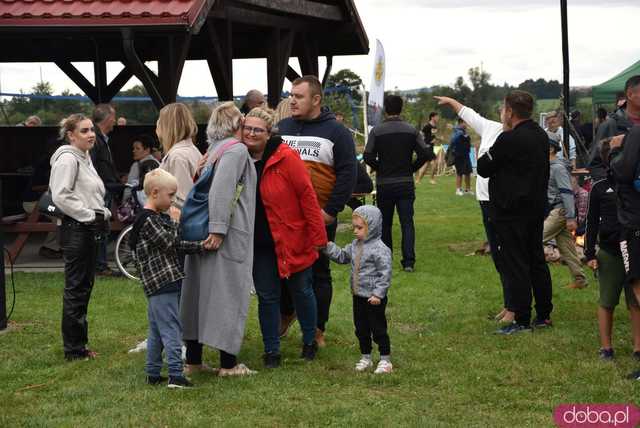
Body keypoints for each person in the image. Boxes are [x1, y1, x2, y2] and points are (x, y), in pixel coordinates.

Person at [243, 107, 327, 367]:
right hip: (259, 243)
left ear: (269, 134)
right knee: (268, 296)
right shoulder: (239, 157)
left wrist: (318, 236)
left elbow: (307, 197)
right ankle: (272, 350)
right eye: (247, 128)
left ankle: (310, 341)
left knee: (301, 290)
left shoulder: (286, 157)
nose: (251, 133)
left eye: (258, 130)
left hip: (292, 237)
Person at [278, 76, 357, 346]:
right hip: (283, 219)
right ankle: (287, 313)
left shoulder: (336, 132)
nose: (292, 100)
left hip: (318, 217)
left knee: (319, 272)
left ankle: (318, 328)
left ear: (316, 100)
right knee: (283, 268)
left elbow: (348, 173)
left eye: (298, 96)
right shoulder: (282, 128)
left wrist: (331, 211)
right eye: (291, 95)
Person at [181, 101, 258, 377]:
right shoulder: (236, 150)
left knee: (195, 297)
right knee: (228, 295)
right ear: (236, 125)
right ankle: (229, 364)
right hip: (224, 235)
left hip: (200, 231)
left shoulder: (213, 150)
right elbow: (222, 191)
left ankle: (193, 360)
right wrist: (218, 229)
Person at [477, 90, 553, 335]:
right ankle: (543, 314)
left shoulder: (508, 139)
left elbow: (484, 167)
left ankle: (521, 318)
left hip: (510, 211)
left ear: (509, 112)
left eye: (502, 110)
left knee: (516, 263)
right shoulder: (541, 136)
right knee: (536, 260)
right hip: (534, 208)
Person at [434, 95, 512, 323]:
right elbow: (469, 113)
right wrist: (451, 101)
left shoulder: (516, 136)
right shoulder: (490, 128)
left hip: (503, 202)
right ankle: (509, 304)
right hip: (486, 201)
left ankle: (514, 307)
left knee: (507, 255)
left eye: (504, 110)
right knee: (498, 255)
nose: (501, 113)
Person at [130, 169, 207, 388]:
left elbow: (176, 245)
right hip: (162, 282)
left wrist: (201, 247)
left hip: (160, 283)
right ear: (155, 193)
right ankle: (176, 374)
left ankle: (153, 372)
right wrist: (175, 221)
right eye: (170, 195)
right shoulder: (148, 221)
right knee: (172, 328)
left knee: (156, 329)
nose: (173, 200)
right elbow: (169, 242)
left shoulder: (154, 219)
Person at [50, 113, 111, 360]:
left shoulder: (84, 157)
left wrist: (101, 213)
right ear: (71, 135)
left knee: (84, 287)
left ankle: (79, 346)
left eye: (91, 130)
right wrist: (89, 215)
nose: (91, 134)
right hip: (77, 229)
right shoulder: (67, 159)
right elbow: (60, 195)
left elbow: (92, 193)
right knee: (76, 288)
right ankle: (74, 350)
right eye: (84, 131)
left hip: (87, 227)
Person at [584, 140, 640, 362]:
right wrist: (589, 253)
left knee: (635, 302)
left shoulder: (633, 184)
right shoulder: (599, 187)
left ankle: (638, 346)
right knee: (607, 301)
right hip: (610, 250)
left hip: (635, 249)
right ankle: (606, 347)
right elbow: (590, 222)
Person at [364, 94, 432, 273]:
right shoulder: (411, 130)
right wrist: (411, 168)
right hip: (405, 183)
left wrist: (380, 168)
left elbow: (367, 156)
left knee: (385, 223)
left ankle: (385, 261)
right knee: (407, 223)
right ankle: (408, 262)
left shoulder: (377, 131)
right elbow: (425, 153)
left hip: (385, 184)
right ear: (401, 109)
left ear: (385, 109)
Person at [324, 205, 393, 374]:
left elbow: (385, 274)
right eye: (354, 227)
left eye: (359, 228)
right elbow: (342, 256)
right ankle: (366, 357)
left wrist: (378, 294)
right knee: (361, 328)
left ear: (373, 227)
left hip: (374, 298)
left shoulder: (380, 249)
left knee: (378, 328)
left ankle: (385, 360)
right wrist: (327, 246)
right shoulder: (355, 245)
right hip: (358, 296)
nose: (355, 231)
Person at [609, 127, 640, 379]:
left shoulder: (637, 132)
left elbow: (623, 171)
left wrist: (616, 150)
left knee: (638, 287)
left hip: (635, 224)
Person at [543, 139, 588, 289]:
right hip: (556, 209)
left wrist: (570, 216)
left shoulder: (558, 168)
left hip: (560, 211)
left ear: (550, 149)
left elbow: (567, 193)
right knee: (567, 247)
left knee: (534, 239)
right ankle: (580, 280)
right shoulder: (550, 166)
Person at [90, 103, 122, 277]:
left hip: (105, 188)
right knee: (101, 227)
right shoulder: (95, 138)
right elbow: (93, 166)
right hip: (101, 191)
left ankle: (100, 264)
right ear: (108, 118)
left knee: (104, 228)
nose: (115, 120)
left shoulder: (100, 137)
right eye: (114, 117)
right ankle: (100, 267)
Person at [589, 76, 640, 180]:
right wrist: (614, 189)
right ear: (630, 94)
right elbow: (595, 166)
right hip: (624, 193)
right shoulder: (610, 125)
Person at [157, 103, 202, 210]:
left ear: (167, 126)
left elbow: (182, 201)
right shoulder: (192, 150)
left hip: (177, 223)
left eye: (160, 121)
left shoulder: (177, 156)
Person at [123, 135, 160, 203]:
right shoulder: (157, 164)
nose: (134, 151)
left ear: (147, 150)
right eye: (133, 148)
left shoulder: (137, 165)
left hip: (138, 205)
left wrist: (124, 202)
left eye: (137, 148)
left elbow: (129, 188)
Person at [450, 118, 472, 196]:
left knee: (468, 172)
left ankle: (468, 190)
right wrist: (458, 131)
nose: (467, 124)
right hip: (459, 155)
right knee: (459, 173)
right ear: (461, 123)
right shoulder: (457, 131)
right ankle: (458, 189)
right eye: (465, 122)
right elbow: (453, 140)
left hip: (466, 154)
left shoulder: (464, 131)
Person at [416, 112, 440, 185]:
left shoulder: (435, 127)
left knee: (426, 164)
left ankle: (418, 180)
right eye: (436, 117)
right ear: (432, 117)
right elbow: (420, 134)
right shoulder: (427, 126)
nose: (438, 118)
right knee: (434, 162)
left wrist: (439, 138)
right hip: (427, 146)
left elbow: (433, 136)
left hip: (431, 147)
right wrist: (424, 143)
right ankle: (431, 179)